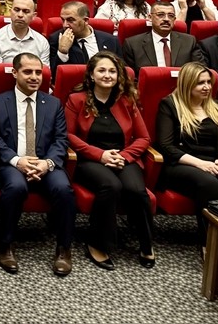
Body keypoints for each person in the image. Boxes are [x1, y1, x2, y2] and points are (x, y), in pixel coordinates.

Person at [0, 52, 75, 276]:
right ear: (15, 73)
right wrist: (18, 161)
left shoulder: (53, 104)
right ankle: (6, 244)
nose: (34, 77)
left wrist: (46, 164)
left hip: (45, 162)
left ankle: (64, 248)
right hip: (12, 163)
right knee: (15, 187)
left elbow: (61, 139)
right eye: (28, 72)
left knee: (64, 189)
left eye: (38, 72)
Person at [65, 51, 156, 270]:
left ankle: (146, 242)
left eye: (112, 71)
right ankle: (97, 242)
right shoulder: (76, 100)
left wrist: (122, 156)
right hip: (89, 160)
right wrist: (101, 155)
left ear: (119, 76)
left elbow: (144, 138)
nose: (108, 75)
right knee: (111, 185)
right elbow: (68, 136)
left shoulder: (126, 100)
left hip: (123, 157)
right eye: (102, 70)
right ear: (91, 75)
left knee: (136, 189)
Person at [155, 61, 218, 257]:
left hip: (213, 163)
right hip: (182, 164)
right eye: (200, 83)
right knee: (208, 183)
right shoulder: (170, 105)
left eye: (208, 82)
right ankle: (208, 243)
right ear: (187, 84)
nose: (206, 87)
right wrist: (201, 164)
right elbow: (166, 147)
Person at [121, 1, 207, 71]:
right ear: (150, 17)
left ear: (174, 19)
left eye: (171, 16)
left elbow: (199, 71)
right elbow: (130, 78)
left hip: (181, 90)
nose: (166, 19)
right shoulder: (133, 44)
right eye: (160, 15)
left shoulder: (189, 41)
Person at [48, 1, 121, 77]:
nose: (65, 25)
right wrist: (62, 52)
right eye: (63, 20)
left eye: (70, 20)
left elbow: (121, 70)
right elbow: (54, 77)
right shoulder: (56, 39)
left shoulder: (111, 40)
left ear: (85, 21)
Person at [0, 0, 50, 66]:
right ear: (10, 12)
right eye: (16, 10)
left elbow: (43, 73)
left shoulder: (42, 42)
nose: (20, 15)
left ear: (34, 16)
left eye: (26, 11)